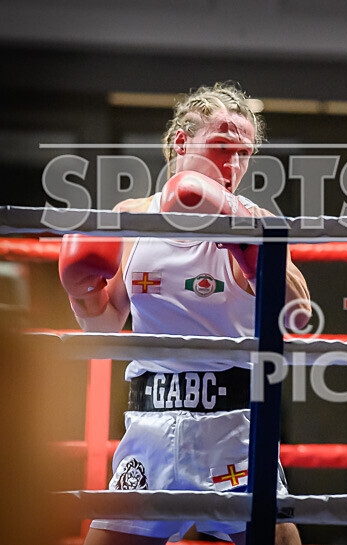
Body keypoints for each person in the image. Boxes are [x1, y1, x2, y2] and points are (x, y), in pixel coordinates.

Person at [58, 82, 309, 545]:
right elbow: (103, 327)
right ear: (181, 144)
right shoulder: (133, 218)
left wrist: (248, 242)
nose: (233, 166)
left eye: (244, 153)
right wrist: (81, 292)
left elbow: (298, 315)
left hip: (232, 432)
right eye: (221, 148)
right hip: (149, 430)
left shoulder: (253, 218)